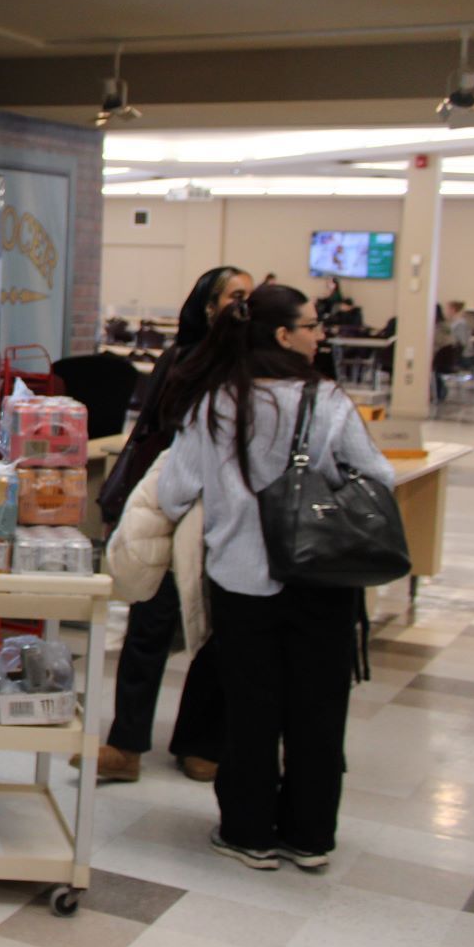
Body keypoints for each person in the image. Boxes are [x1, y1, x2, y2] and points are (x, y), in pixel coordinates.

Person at [157, 284, 392, 872]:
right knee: (318, 708)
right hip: (323, 575)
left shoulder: (215, 403)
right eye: (311, 326)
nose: (320, 335)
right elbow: (378, 475)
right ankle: (310, 835)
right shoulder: (328, 400)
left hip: (242, 577)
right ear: (283, 335)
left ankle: (248, 830)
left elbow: (174, 490)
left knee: (251, 707)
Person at [93, 265, 251, 784]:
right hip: (172, 505)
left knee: (220, 633)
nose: (243, 305)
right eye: (235, 296)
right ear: (209, 306)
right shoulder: (185, 360)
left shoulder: (256, 366)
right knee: (150, 624)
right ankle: (126, 744)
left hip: (231, 518)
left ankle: (199, 742)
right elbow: (155, 432)